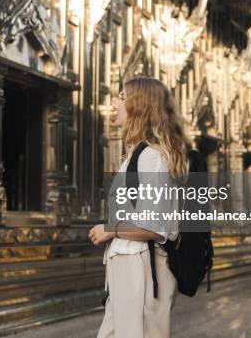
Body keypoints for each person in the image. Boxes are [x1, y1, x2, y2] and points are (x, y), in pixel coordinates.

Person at [89, 76, 191, 338]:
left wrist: (110, 229)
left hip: (142, 268)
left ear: (140, 106)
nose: (114, 104)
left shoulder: (151, 157)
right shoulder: (137, 155)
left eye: (122, 97)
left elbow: (153, 226)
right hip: (127, 265)